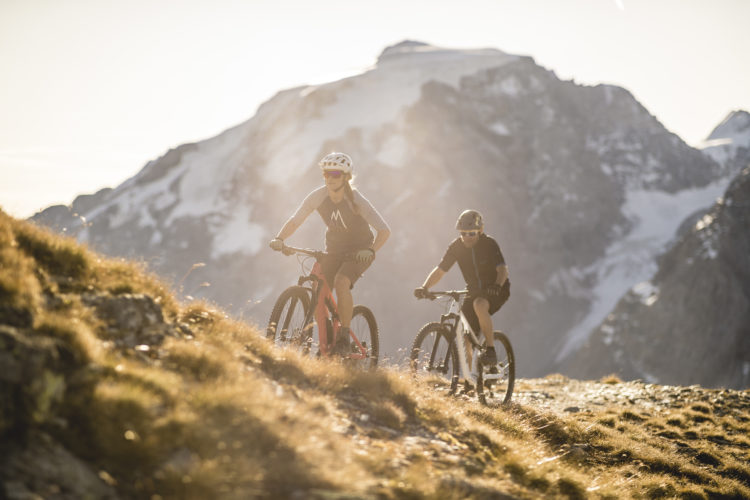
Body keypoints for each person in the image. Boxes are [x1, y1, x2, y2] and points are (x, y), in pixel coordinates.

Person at [269, 152, 390, 354]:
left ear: (346, 177)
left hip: (359, 251)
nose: (330, 178)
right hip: (334, 249)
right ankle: (327, 340)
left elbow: (384, 231)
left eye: (335, 174)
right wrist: (280, 238)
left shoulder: (356, 201)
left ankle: (343, 335)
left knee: (342, 281)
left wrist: (371, 251)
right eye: (326, 174)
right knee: (318, 288)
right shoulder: (318, 196)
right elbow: (295, 220)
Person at [414, 209, 510, 366]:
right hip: (473, 291)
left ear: (480, 230)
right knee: (465, 336)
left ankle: (491, 350)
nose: (467, 237)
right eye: (463, 233)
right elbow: (440, 270)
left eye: (471, 233)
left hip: (497, 288)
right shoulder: (456, 247)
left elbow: (502, 270)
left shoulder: (489, 244)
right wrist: (425, 287)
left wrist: (497, 286)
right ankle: (470, 379)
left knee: (479, 304)